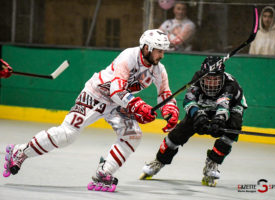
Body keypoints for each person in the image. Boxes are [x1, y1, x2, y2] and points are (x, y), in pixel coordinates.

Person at [3, 29, 179, 192]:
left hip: (118, 104)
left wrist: (170, 111)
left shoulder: (158, 69)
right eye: (159, 50)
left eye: (163, 51)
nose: (162, 55)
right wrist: (138, 106)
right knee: (67, 134)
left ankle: (104, 172)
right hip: (96, 95)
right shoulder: (129, 56)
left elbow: (164, 93)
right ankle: (20, 152)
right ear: (147, 48)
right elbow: (116, 90)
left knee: (133, 136)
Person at [140, 56, 247, 187]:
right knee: (178, 134)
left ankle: (212, 163)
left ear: (222, 77)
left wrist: (218, 120)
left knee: (233, 128)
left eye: (216, 80)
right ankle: (159, 161)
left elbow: (224, 105)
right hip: (203, 104)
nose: (211, 84)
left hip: (232, 106)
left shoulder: (230, 85)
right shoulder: (197, 78)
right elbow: (188, 100)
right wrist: (198, 116)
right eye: (208, 79)